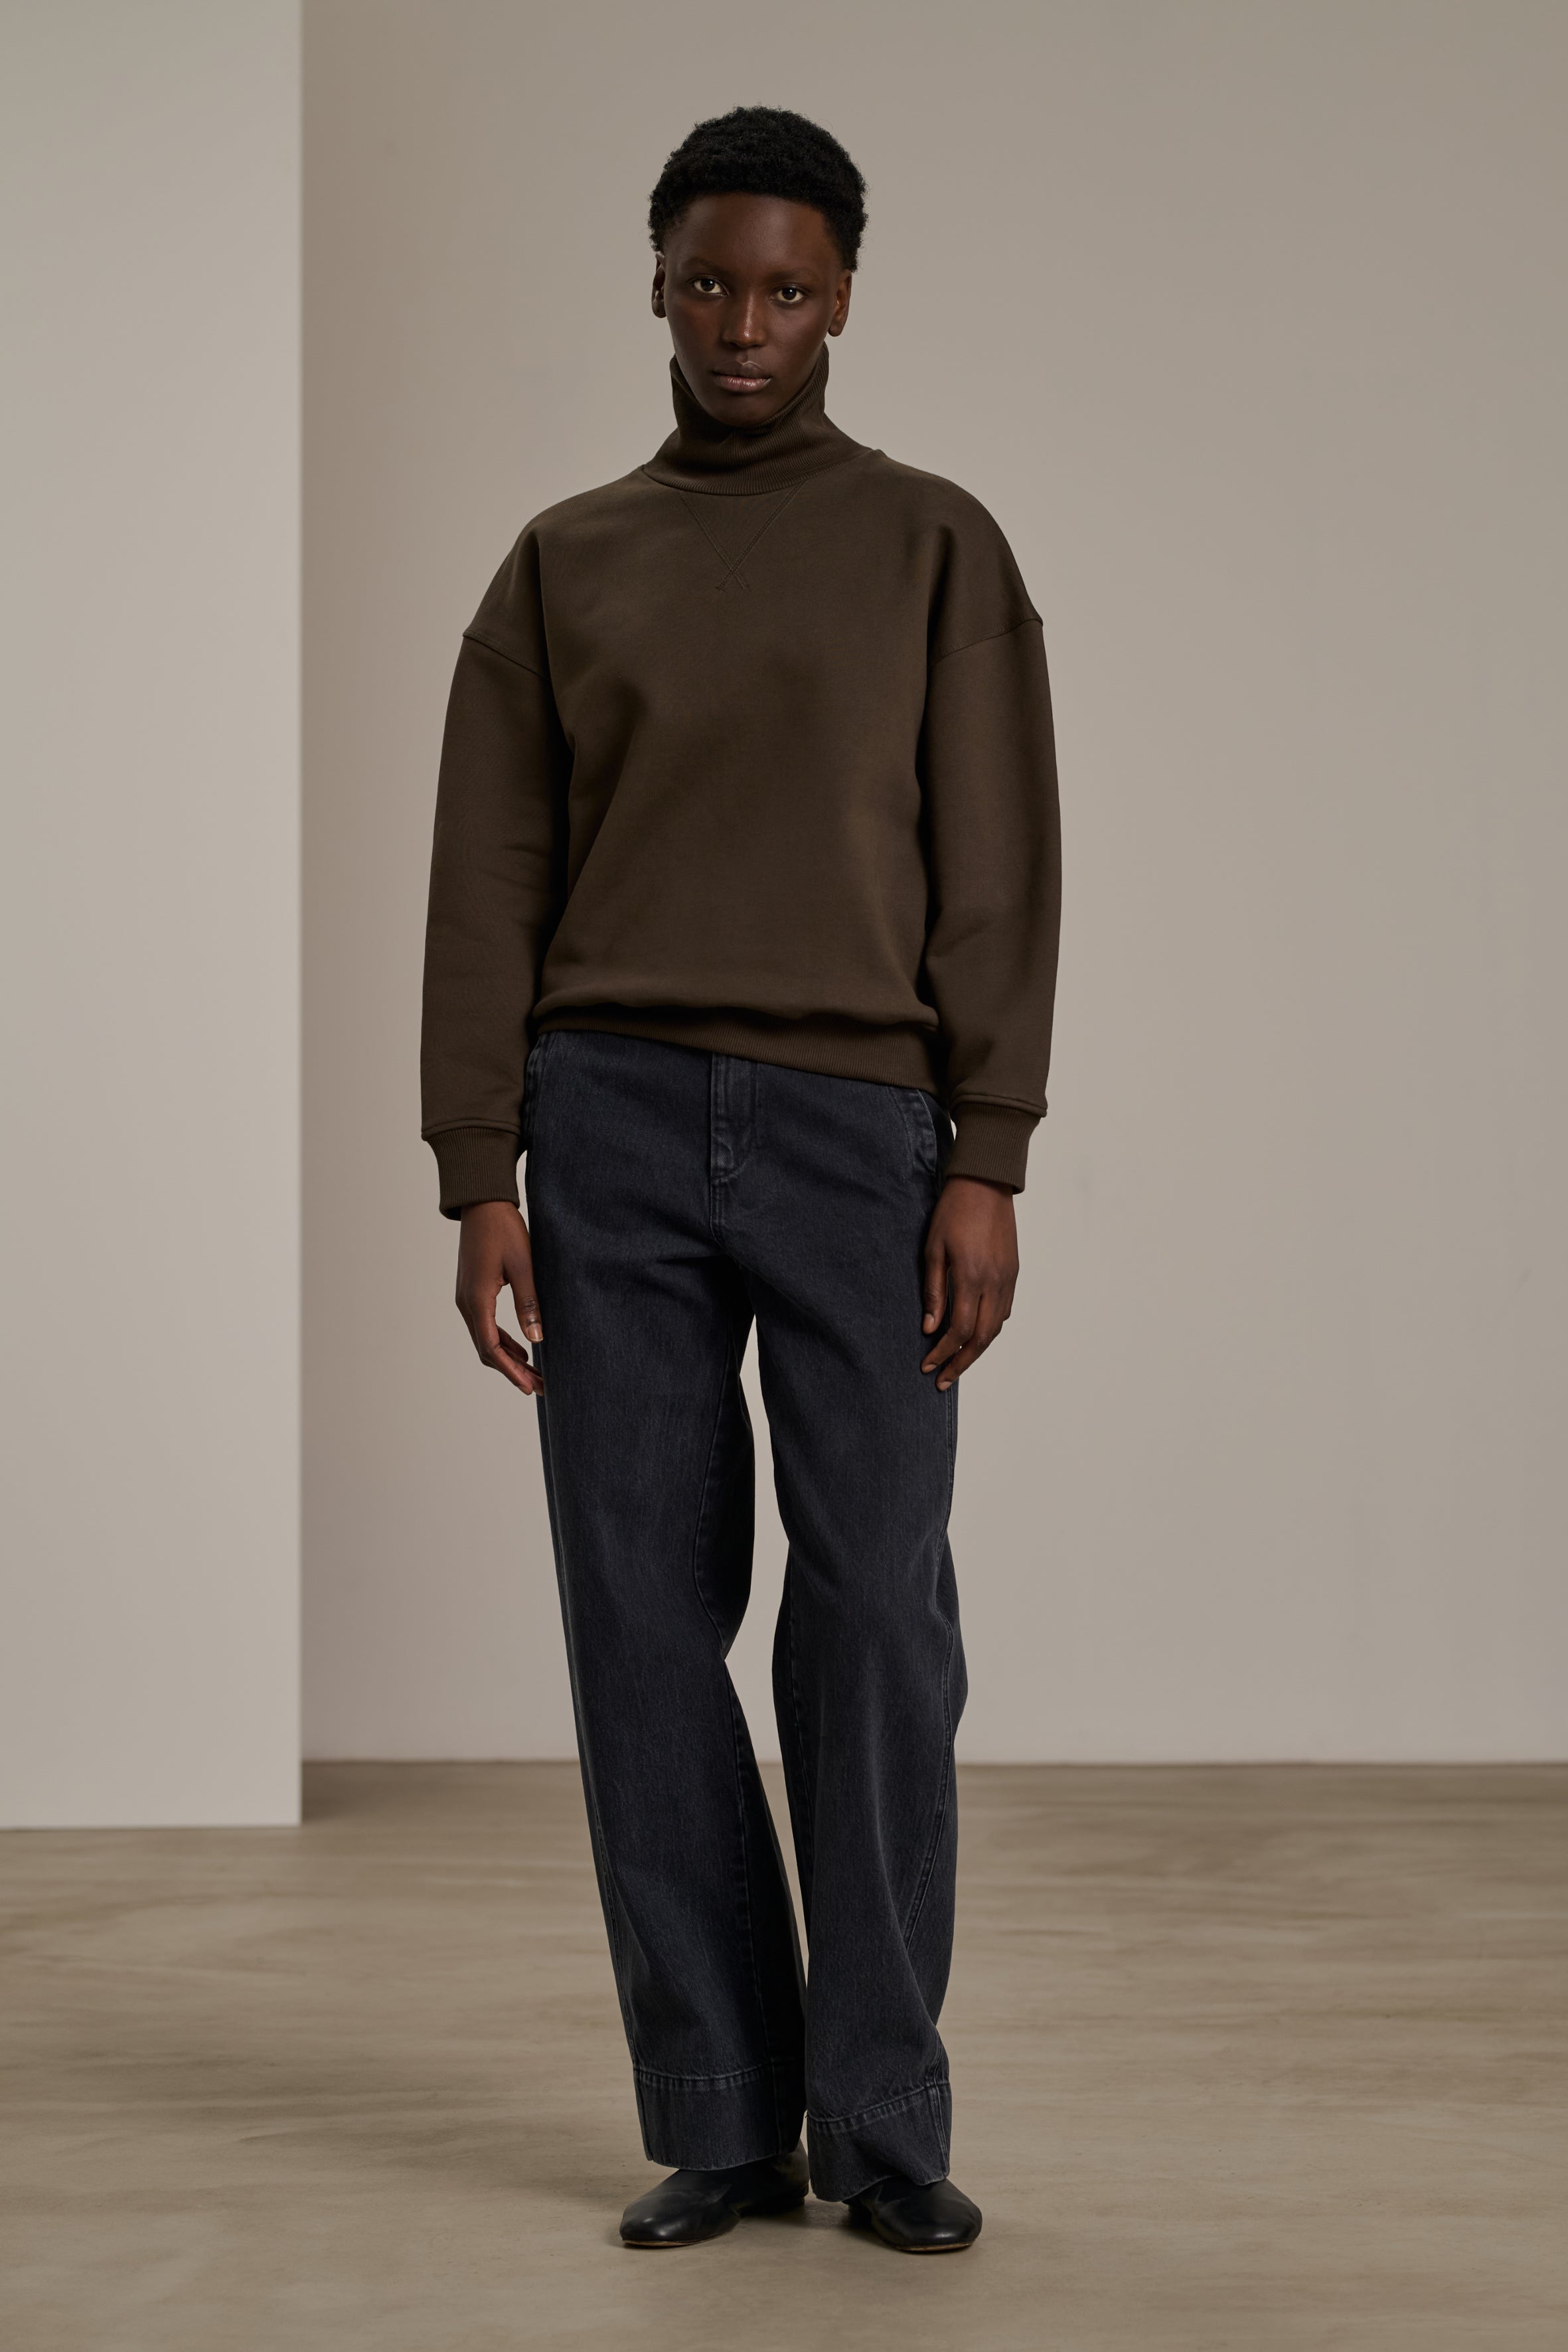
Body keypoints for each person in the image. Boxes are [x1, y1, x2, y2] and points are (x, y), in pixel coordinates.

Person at [420, 106, 1061, 2255]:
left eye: (786, 286)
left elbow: (996, 869)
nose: (744, 324)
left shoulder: (933, 547)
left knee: (874, 1611)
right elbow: (489, 875)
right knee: (635, 1613)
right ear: (657, 286)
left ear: (844, 293)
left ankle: (878, 2119)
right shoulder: (563, 560)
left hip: (858, 1134)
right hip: (602, 1125)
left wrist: (985, 1153)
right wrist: (476, 1167)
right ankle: (715, 2110)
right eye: (708, 281)